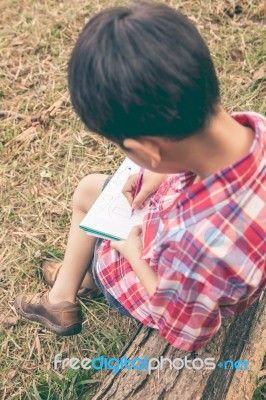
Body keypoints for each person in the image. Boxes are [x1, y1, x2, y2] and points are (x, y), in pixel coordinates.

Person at [14, 2, 265, 351]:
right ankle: (78, 279)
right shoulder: (255, 128)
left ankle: (66, 294)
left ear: (147, 151)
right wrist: (159, 175)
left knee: (91, 200)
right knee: (92, 189)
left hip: (159, 285)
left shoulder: (194, 244)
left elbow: (185, 332)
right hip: (209, 261)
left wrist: (132, 252)